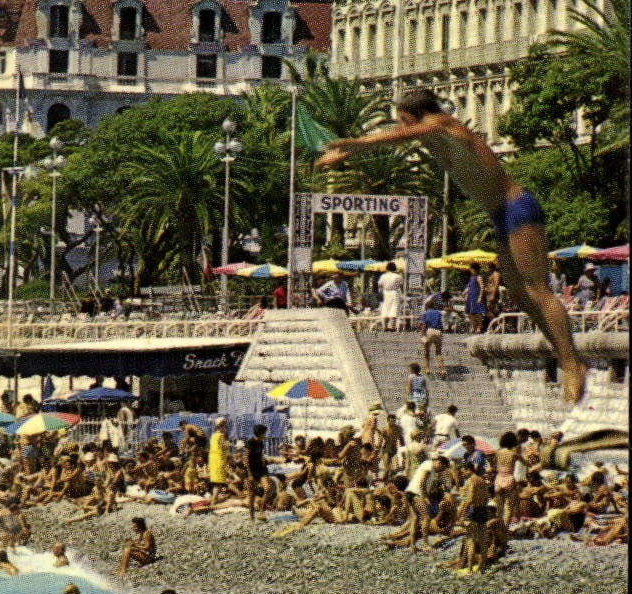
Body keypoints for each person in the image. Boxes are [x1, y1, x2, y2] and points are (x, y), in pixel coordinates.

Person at [317, 88, 584, 404]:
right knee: (521, 294)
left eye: (403, 120)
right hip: (500, 215)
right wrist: (349, 154)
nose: (401, 127)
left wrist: (351, 143)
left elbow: (405, 135)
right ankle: (562, 353)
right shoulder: (434, 136)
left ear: (415, 116)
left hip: (517, 207)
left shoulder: (443, 124)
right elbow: (405, 137)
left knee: (537, 289)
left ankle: (573, 364)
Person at [246, 424, 269, 521]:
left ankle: (261, 512)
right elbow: (246, 459)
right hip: (253, 470)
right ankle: (252, 518)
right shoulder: (251, 442)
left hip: (261, 469)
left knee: (267, 488)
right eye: (264, 433)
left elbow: (261, 455)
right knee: (252, 494)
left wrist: (264, 463)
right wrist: (250, 474)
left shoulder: (261, 442)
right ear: (260, 433)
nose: (265, 435)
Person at [378, 261, 405, 330]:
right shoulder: (398, 276)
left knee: (386, 308)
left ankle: (385, 326)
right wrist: (402, 294)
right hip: (395, 293)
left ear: (387, 268)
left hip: (386, 293)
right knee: (394, 309)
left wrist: (381, 292)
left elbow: (380, 285)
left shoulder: (383, 276)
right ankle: (392, 326)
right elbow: (401, 286)